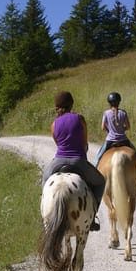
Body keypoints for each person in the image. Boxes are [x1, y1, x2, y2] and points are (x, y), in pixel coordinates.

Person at [42, 91, 106, 230]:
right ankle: (93, 217)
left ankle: (45, 216)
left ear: (56, 106)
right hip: (78, 160)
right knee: (101, 182)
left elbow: (58, 145)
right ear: (71, 104)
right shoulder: (80, 119)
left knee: (45, 181)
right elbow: (85, 145)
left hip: (58, 161)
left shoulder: (53, 125)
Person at [92, 91, 136, 187]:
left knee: (99, 156)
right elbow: (128, 127)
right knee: (135, 154)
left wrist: (110, 130)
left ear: (109, 103)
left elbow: (103, 128)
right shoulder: (123, 113)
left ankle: (94, 175)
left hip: (110, 140)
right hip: (123, 139)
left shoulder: (106, 113)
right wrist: (121, 129)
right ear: (119, 102)